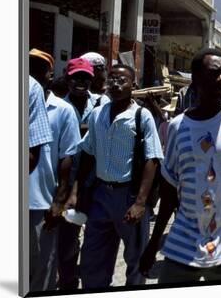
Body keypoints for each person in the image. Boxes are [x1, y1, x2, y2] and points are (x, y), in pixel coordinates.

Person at [139, 48, 221, 283]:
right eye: (213, 73)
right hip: (184, 240)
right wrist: (153, 244)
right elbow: (169, 191)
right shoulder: (178, 127)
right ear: (195, 79)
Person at [75, 64, 164, 288]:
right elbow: (88, 153)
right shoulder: (98, 114)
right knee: (93, 259)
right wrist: (78, 192)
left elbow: (152, 160)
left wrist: (140, 203)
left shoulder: (141, 117)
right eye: (112, 79)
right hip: (101, 196)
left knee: (135, 260)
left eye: (122, 80)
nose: (115, 84)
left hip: (129, 197)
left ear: (133, 86)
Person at [29, 49, 80, 292]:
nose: (33, 75)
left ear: (49, 75)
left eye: (40, 70)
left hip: (42, 203)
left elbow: (67, 161)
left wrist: (59, 202)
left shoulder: (62, 110)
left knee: (42, 270)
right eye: (29, 67)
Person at [57, 58, 108, 290]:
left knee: (96, 240)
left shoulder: (101, 104)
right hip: (66, 183)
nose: (81, 82)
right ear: (68, 80)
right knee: (67, 238)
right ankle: (69, 282)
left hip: (96, 183)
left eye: (85, 78)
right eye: (76, 77)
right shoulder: (58, 107)